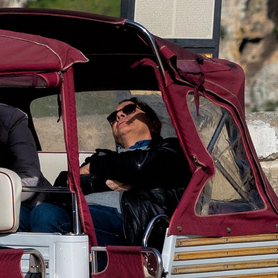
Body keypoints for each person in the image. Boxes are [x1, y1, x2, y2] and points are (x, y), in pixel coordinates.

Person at [27, 97, 190, 246]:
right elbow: (65, 183)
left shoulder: (171, 149)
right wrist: (102, 182)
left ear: (154, 124)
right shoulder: (104, 156)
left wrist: (92, 168)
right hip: (83, 212)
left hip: (129, 224)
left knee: (45, 214)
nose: (119, 116)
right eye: (113, 117)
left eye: (129, 110)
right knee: (21, 216)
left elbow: (139, 165)